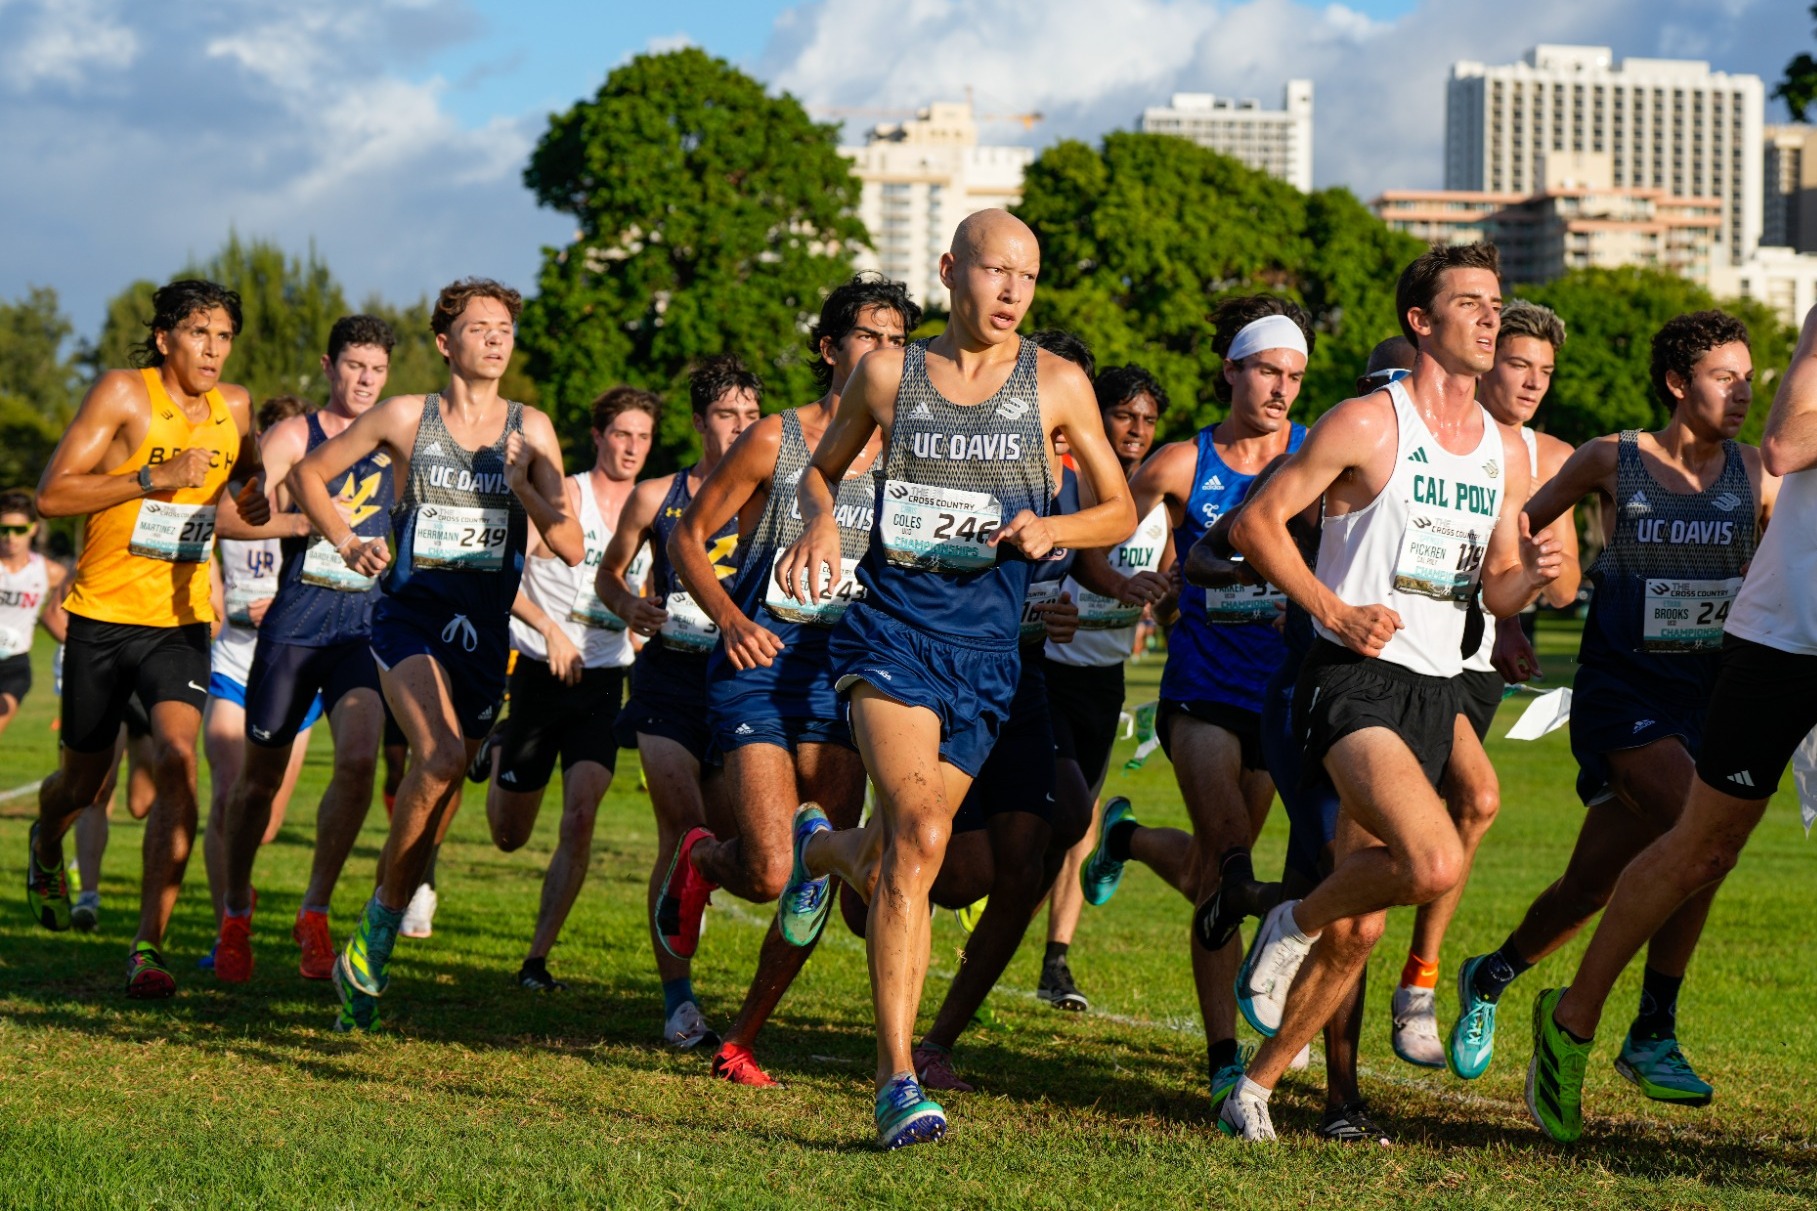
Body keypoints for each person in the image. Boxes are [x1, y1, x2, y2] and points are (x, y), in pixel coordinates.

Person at [772, 209, 1137, 1149]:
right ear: (949, 270)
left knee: (907, 854)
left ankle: (823, 852)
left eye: (1027, 275)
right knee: (925, 830)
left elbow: (1118, 505)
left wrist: (1057, 529)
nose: (1012, 290)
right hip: (892, 631)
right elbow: (820, 472)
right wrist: (819, 522)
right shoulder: (889, 374)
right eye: (994, 270)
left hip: (988, 660)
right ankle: (896, 1079)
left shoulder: (1056, 385)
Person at [1219, 242, 1560, 1140]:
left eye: (1496, 302)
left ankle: (1252, 1087)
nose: (1491, 316)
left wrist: (1528, 584)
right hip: (1349, 682)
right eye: (1471, 303)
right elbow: (1254, 524)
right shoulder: (1369, 422)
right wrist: (1331, 607)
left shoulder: (1501, 453)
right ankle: (1287, 917)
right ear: (1421, 321)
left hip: (1436, 689)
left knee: (1362, 927)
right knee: (1437, 858)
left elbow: (1488, 589)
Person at [290, 277, 581, 1031]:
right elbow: (308, 476)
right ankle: (379, 930)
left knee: (438, 809)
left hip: (484, 635)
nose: (495, 338)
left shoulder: (533, 428)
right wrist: (348, 538)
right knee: (444, 754)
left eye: (505, 328)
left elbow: (570, 543)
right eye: (479, 326)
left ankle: (370, 947)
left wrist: (526, 486)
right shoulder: (404, 416)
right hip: (410, 616)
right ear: (446, 342)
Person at [1522, 308, 1785, 1143]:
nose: (1741, 392)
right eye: (1722, 376)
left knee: (1593, 881)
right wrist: (1529, 585)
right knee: (1694, 835)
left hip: (1712, 696)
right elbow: (1528, 515)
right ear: (1677, 383)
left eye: (1749, 377)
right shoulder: (1613, 457)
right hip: (1622, 691)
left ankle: (1492, 972)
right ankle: (1645, 1030)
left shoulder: (1756, 474)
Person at [656, 276, 915, 1085]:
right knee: (772, 868)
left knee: (821, 881)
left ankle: (743, 1037)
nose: (885, 353)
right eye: (869, 336)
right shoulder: (777, 438)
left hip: (848, 675)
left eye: (899, 339)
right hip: (761, 665)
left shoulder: (910, 449)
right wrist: (731, 621)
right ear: (829, 349)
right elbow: (687, 539)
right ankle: (701, 860)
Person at [1076, 296, 1315, 1108]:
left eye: (1293, 375)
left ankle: (1130, 836)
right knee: (1227, 858)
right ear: (1231, 371)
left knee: (1217, 876)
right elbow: (1093, 542)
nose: (1280, 390)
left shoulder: (1322, 453)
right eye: (1266, 372)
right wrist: (1126, 582)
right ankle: (1223, 1053)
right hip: (1203, 687)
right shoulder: (1183, 463)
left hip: (1285, 691)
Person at [26, 278, 269, 999]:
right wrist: (150, 476)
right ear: (166, 338)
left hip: (182, 621)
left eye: (224, 336)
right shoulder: (122, 394)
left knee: (178, 759)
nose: (213, 350)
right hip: (101, 617)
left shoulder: (235, 405)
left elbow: (248, 477)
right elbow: (52, 494)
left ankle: (147, 947)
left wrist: (254, 498)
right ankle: (45, 843)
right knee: (81, 781)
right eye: (200, 333)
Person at [1388, 300, 1582, 1067]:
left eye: (1543, 371)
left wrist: (1541, 574)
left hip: (1476, 669)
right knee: (1470, 799)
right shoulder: (1440, 434)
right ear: (1485, 355)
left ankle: (1419, 980)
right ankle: (1397, 982)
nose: (1531, 381)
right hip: (1408, 652)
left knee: (1455, 816)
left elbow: (1560, 590)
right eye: (1516, 364)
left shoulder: (1557, 455)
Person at [214, 317, 399, 983]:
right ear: (329, 367)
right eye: (353, 366)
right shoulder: (296, 436)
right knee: (257, 780)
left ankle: (314, 911)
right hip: (297, 621)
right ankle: (236, 909)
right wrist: (320, 524)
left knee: (356, 761)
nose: (364, 380)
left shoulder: (397, 438)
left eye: (376, 369)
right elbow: (234, 514)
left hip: (362, 627)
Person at [597, 355, 759, 1050]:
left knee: (728, 849)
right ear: (699, 423)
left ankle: (687, 923)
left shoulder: (771, 497)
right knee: (682, 829)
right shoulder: (655, 496)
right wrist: (629, 601)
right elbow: (608, 572)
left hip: (737, 684)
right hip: (665, 679)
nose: (740, 428)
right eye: (727, 416)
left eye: (752, 417)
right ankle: (677, 999)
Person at [483, 384, 657, 992]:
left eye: (643, 436)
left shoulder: (648, 507)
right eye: (622, 434)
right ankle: (501, 742)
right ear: (599, 437)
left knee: (581, 815)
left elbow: (650, 589)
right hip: (537, 671)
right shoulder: (570, 496)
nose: (632, 447)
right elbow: (501, 579)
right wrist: (551, 630)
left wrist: (641, 621)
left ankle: (536, 959)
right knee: (509, 837)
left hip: (603, 681)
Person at [1039, 364, 1165, 1011]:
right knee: (1055, 814)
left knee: (1079, 821)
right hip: (1047, 668)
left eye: (1146, 419)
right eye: (1124, 415)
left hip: (1104, 676)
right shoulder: (1071, 484)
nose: (1136, 430)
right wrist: (1125, 587)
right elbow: (1089, 561)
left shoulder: (1160, 506)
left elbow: (1165, 584)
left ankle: (1055, 960)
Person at [198, 394, 322, 972]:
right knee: (226, 797)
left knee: (263, 819)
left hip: (294, 668)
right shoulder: (237, 504)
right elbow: (201, 552)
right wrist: (223, 608)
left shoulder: (319, 506)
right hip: (233, 662)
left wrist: (293, 608)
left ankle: (241, 900)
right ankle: (227, 924)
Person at [0, 490, 68, 735]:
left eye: (18, 530)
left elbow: (67, 611)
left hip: (14, 666)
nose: (10, 538)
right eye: (3, 529)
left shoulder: (50, 572)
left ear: (33, 529)